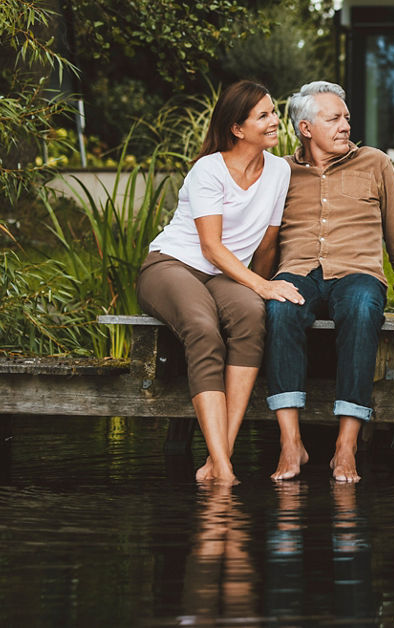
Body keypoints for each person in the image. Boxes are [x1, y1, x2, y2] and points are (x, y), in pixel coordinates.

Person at [264, 80, 394, 484]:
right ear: (305, 128)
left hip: (358, 273)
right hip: (299, 271)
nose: (345, 125)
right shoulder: (280, 171)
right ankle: (291, 442)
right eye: (334, 118)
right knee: (279, 308)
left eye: (347, 118)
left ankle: (346, 445)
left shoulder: (375, 163)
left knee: (361, 310)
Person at [136, 79, 304, 484]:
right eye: (263, 115)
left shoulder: (279, 170)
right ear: (237, 127)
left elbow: (266, 244)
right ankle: (224, 468)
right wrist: (262, 286)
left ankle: (218, 459)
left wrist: (260, 287)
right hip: (172, 266)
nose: (274, 121)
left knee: (250, 316)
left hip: (222, 276)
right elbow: (210, 247)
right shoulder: (208, 169)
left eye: (273, 112)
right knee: (203, 329)